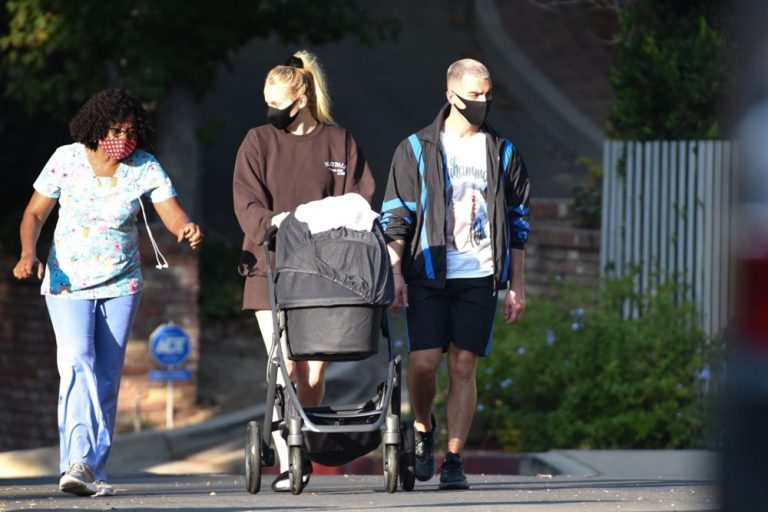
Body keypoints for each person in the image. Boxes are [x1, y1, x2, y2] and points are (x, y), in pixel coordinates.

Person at [12, 88, 203, 497]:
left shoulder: (144, 166)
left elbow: (169, 208)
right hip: (67, 282)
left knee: (107, 375)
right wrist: (29, 252)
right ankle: (76, 461)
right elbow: (34, 213)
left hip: (121, 283)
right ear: (97, 129)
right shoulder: (66, 160)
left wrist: (184, 226)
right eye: (116, 130)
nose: (123, 139)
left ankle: (92, 468)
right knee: (77, 360)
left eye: (131, 131)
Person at [381, 58, 530, 490]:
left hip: (480, 274)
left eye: (487, 94)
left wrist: (515, 286)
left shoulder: (503, 152)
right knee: (424, 363)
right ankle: (424, 430)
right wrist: (396, 272)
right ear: (451, 96)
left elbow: (519, 223)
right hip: (428, 269)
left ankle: (454, 459)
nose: (483, 102)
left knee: (464, 365)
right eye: (474, 95)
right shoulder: (415, 149)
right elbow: (397, 217)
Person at [232, 50, 375, 492]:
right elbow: (247, 202)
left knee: (312, 371)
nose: (271, 112)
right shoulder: (257, 142)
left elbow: (361, 200)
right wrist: (273, 223)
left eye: (279, 104)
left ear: (302, 98)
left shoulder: (339, 142)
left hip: (324, 272)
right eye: (267, 104)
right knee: (286, 361)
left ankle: (302, 445)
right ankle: (288, 453)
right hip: (270, 268)